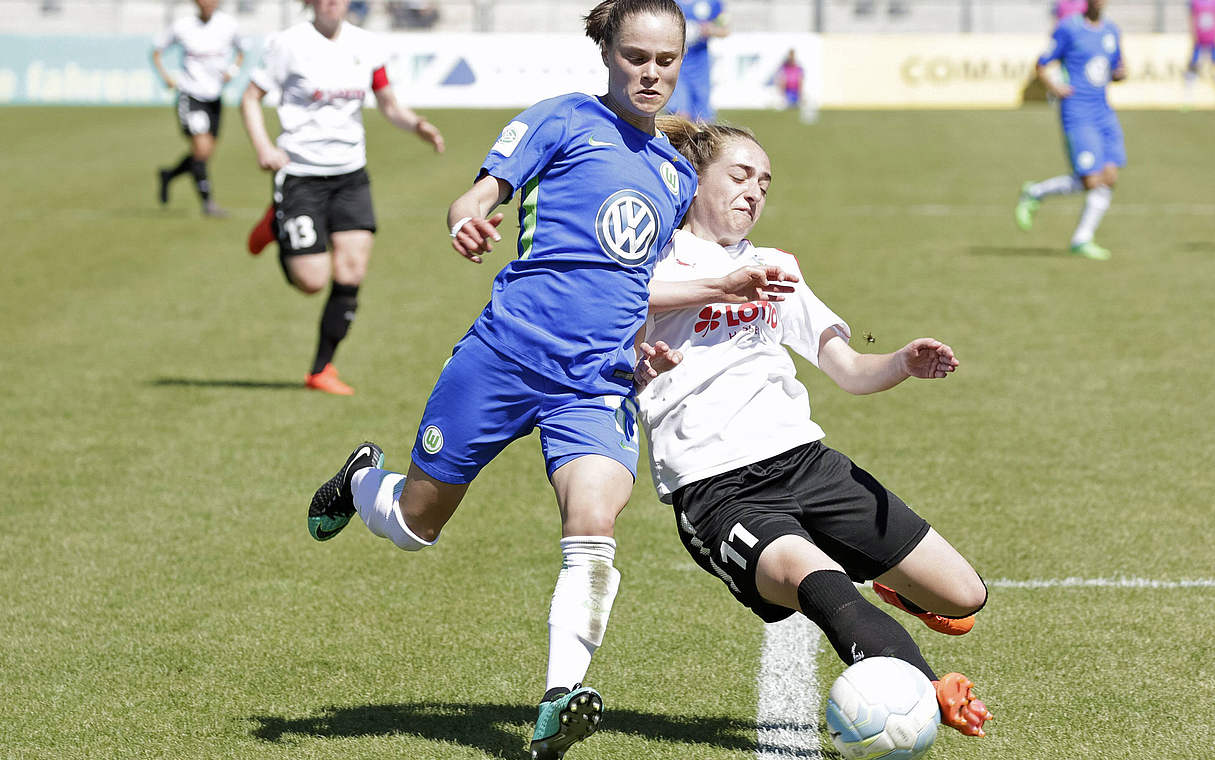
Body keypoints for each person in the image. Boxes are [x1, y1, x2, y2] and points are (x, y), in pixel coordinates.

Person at [305, 2, 695, 758]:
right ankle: (362, 483)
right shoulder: (560, 121)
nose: (650, 73)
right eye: (636, 56)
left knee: (594, 526)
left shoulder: (675, 175)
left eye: (665, 60)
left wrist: (646, 348)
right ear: (608, 51)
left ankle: (558, 698)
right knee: (418, 526)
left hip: (595, 381)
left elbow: (633, 282)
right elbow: (476, 196)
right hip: (506, 355)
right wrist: (466, 219)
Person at [637, 116, 993, 739]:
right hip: (719, 488)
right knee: (824, 587)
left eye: (765, 184)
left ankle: (893, 583)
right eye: (740, 175)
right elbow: (614, 312)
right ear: (692, 180)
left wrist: (902, 362)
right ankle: (927, 687)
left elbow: (850, 370)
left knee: (966, 596)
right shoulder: (650, 261)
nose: (754, 192)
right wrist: (641, 359)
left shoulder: (775, 267)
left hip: (805, 462)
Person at [241, 0, 445, 394]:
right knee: (312, 280)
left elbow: (387, 103)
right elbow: (250, 97)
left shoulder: (366, 45)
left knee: (351, 272)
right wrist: (264, 147)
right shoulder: (287, 43)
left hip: (351, 175)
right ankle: (277, 222)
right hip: (300, 174)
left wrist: (416, 124)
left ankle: (322, 369)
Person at [1014, 0, 1126, 261]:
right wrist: (1055, 88)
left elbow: (1118, 69)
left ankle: (1082, 239)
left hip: (1103, 112)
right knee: (1090, 180)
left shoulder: (1112, 31)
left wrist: (1121, 74)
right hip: (1078, 112)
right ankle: (1035, 193)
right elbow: (1041, 64)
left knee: (1109, 176)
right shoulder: (1069, 29)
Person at [151, 0, 245, 218]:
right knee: (201, 149)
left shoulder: (228, 25)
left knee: (204, 154)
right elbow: (156, 51)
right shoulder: (182, 26)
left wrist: (232, 70)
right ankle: (208, 203)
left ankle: (169, 175)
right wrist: (167, 78)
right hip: (190, 94)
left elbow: (242, 50)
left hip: (214, 96)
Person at [669, 0, 728, 122]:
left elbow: (724, 30)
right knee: (680, 115)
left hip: (700, 66)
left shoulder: (712, 3)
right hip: (674, 62)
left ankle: (701, 141)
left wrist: (709, 30)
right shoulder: (669, 3)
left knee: (702, 119)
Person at [1184, 0, 1215, 109]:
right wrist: (1192, 33)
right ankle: (1188, 100)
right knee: (1193, 68)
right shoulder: (1194, 2)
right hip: (1199, 40)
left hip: (1212, 40)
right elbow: (1191, 17)